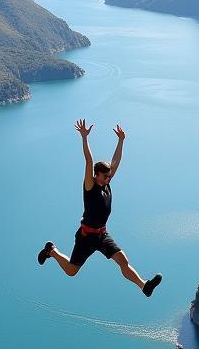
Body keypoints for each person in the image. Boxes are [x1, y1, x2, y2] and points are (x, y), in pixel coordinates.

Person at [37, 120, 162, 297]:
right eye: (105, 177)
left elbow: (116, 161)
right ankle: (51, 250)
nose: (108, 179)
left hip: (102, 234)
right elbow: (88, 161)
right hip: (86, 236)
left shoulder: (106, 185)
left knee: (123, 261)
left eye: (109, 176)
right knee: (72, 271)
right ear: (96, 176)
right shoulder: (90, 187)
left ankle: (144, 286)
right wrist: (84, 138)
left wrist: (121, 141)